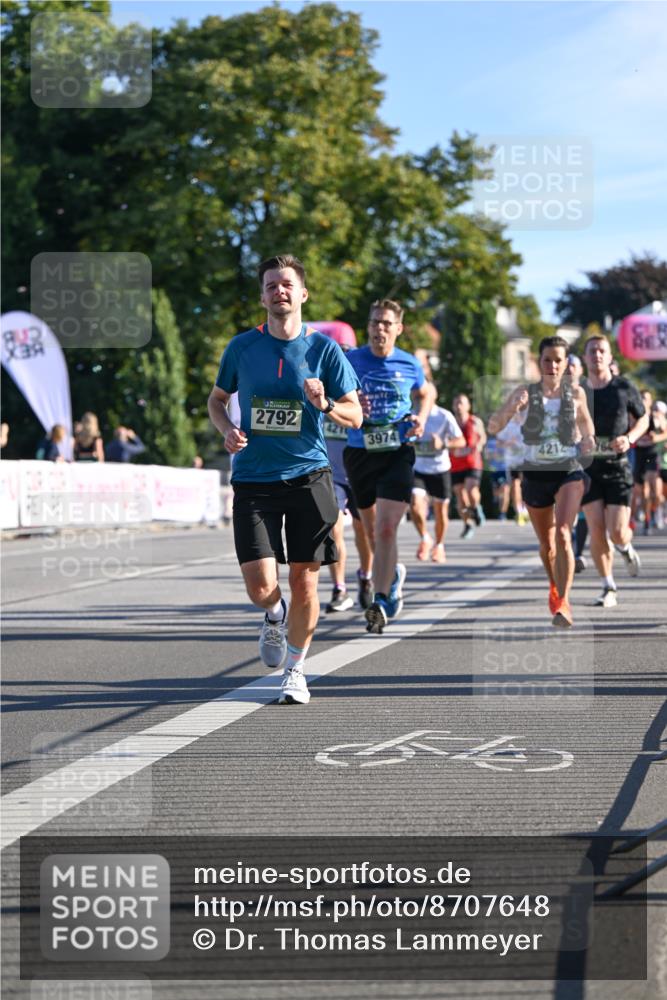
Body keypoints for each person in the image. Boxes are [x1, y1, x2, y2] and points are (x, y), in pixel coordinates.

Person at [207, 254, 362, 705]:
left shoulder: (324, 351)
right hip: (253, 478)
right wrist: (227, 430)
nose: (280, 291)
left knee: (306, 582)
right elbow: (217, 400)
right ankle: (274, 616)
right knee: (260, 587)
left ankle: (296, 669)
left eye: (287, 284)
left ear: (303, 293)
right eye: (272, 284)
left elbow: (355, 415)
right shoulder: (242, 348)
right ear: (263, 296)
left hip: (308, 476)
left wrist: (326, 404)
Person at [489, 335, 596, 628]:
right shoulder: (524, 392)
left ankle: (564, 602)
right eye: (547, 359)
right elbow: (494, 426)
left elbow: (586, 423)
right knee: (546, 544)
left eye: (558, 360)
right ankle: (554, 585)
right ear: (539, 362)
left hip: (568, 471)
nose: (552, 365)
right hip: (535, 473)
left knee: (563, 533)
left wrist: (588, 439)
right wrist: (512, 408)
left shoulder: (576, 393)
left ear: (566, 363)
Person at [343, 298, 431, 634]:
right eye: (374, 322)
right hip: (359, 451)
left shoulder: (409, 364)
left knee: (386, 529)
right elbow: (331, 398)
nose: (379, 328)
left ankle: (380, 600)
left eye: (385, 323)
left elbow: (427, 393)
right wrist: (347, 402)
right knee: (369, 531)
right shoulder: (351, 360)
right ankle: (391, 575)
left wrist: (420, 419)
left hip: (397, 450)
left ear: (398, 328)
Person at [580, 334, 647, 607]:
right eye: (592, 351)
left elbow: (643, 418)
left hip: (618, 467)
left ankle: (625, 548)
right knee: (596, 530)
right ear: (585, 358)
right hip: (588, 469)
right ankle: (608, 586)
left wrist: (629, 439)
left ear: (609, 357)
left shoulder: (623, 387)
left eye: (601, 351)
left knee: (617, 531)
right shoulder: (578, 391)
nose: (597, 355)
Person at [317, 324, 374, 612]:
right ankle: (340, 588)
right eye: (336, 352)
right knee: (333, 529)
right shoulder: (316, 381)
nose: (340, 357)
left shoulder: (360, 385)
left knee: (364, 533)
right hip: (331, 473)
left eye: (346, 352)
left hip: (360, 466)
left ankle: (366, 575)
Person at [411, 390, 465, 559]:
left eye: (423, 393)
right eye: (417, 393)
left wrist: (444, 443)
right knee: (414, 504)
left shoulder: (444, 415)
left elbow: (461, 441)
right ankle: (425, 538)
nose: (419, 396)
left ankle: (439, 545)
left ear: (433, 395)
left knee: (441, 511)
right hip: (418, 468)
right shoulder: (410, 415)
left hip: (440, 469)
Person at [450, 394, 487, 539]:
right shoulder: (450, 422)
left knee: (471, 490)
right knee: (460, 498)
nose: (458, 406)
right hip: (455, 464)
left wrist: (479, 445)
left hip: (473, 462)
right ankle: (468, 524)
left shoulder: (474, 421)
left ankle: (476, 507)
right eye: (456, 403)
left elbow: (483, 437)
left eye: (461, 403)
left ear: (468, 406)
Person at [567, 354, 589, 573]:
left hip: (580, 452)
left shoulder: (586, 393)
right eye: (567, 365)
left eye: (574, 366)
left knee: (580, 503)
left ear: (580, 370)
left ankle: (578, 551)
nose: (570, 369)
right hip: (555, 456)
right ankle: (568, 547)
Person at [631, 390, 662, 535]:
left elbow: (665, 432)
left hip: (652, 453)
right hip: (639, 454)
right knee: (642, 491)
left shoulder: (656, 417)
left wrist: (657, 437)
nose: (643, 400)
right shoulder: (634, 417)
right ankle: (647, 520)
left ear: (650, 401)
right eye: (641, 397)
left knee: (654, 490)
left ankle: (655, 510)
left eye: (646, 398)